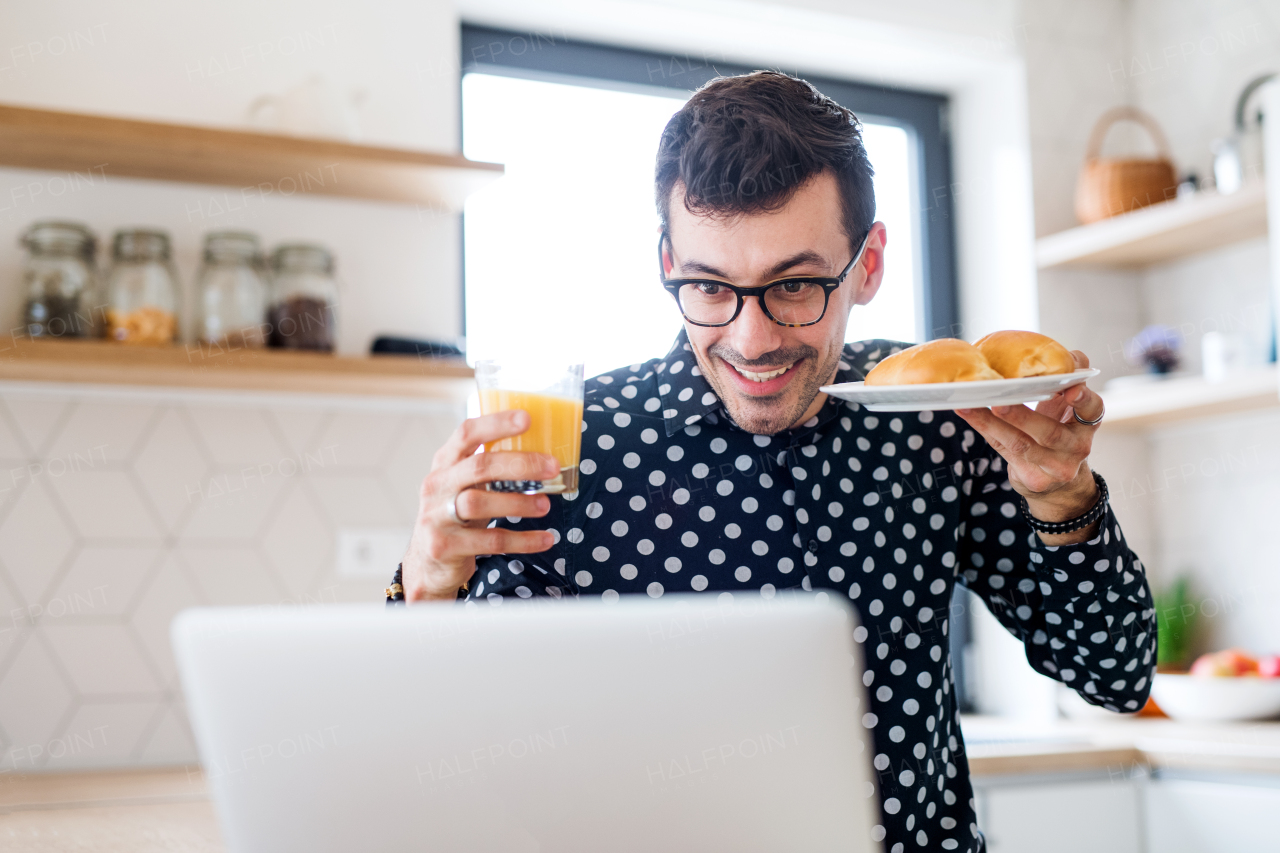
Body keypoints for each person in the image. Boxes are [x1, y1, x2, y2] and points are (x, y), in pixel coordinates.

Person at [388, 71, 1156, 853]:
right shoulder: (571, 445)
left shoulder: (938, 415)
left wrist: (1066, 501)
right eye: (710, 286)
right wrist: (423, 585)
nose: (752, 340)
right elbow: (436, 758)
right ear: (665, 262)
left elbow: (1116, 675)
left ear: (869, 264)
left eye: (795, 285)